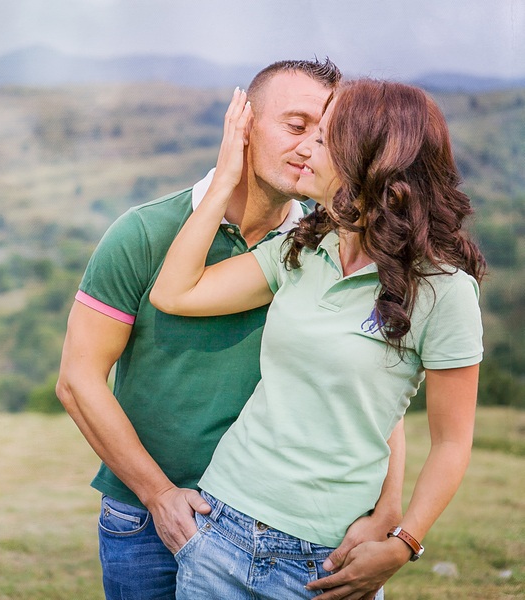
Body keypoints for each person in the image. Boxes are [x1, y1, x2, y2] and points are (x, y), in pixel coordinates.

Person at [56, 59, 406, 600]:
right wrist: (158, 495)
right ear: (243, 128)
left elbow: (374, 385)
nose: (310, 146)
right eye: (295, 126)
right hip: (146, 521)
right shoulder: (144, 233)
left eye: (326, 134)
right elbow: (78, 381)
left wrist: (388, 515)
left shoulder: (324, 249)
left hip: (279, 525)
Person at [149, 79, 485, 599]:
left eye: (325, 140)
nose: (307, 150)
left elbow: (452, 442)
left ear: (368, 163)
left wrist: (404, 541)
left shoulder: (445, 292)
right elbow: (175, 293)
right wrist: (223, 183)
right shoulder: (303, 250)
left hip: (324, 562)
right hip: (220, 528)